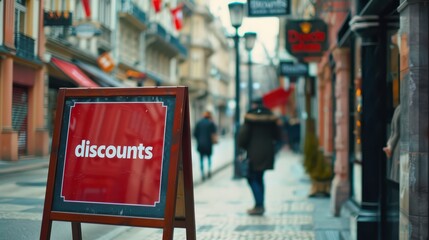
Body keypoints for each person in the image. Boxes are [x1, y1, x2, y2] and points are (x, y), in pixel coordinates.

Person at [238, 99, 281, 216]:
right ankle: (259, 204)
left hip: (253, 153)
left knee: (251, 178)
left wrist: (241, 147)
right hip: (267, 152)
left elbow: (243, 136)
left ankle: (259, 205)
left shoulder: (250, 118)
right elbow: (278, 135)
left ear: (254, 105)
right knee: (259, 178)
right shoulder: (271, 117)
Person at [193, 110, 217, 181]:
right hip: (208, 144)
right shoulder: (211, 123)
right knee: (209, 158)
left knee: (201, 159)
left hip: (200, 144)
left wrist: (199, 139)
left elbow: (195, 134)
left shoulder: (199, 123)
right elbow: (214, 134)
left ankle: (202, 173)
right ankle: (209, 171)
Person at [383, 104, 401, 182]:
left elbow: (394, 131)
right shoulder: (405, 108)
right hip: (401, 150)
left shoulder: (399, 108)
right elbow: (396, 131)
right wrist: (390, 145)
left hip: (398, 150)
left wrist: (390, 145)